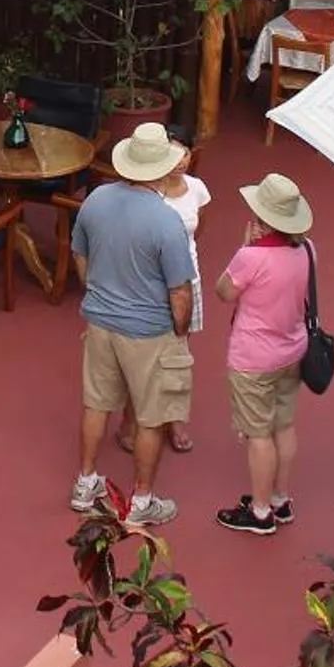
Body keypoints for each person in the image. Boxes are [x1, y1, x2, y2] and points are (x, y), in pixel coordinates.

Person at [67, 122, 197, 528]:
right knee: (151, 417)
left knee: (96, 404)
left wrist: (97, 292)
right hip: (149, 330)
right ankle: (141, 500)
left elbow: (79, 256)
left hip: (101, 321)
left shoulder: (96, 200)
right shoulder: (166, 220)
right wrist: (180, 329)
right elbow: (180, 290)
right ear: (162, 165)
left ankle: (85, 482)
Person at [212, 172, 318, 536]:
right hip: (293, 349)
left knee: (258, 433)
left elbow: (224, 291)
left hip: (254, 357)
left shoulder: (251, 256)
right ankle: (278, 498)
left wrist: (244, 247)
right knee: (283, 425)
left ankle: (259, 513)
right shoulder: (307, 249)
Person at [117, 147, 209, 456]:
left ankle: (175, 420)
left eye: (185, 153)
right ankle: (130, 419)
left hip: (186, 278)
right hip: (149, 281)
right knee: (141, 353)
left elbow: (197, 231)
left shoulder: (198, 189)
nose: (180, 161)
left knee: (178, 353)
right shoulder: (147, 191)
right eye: (174, 153)